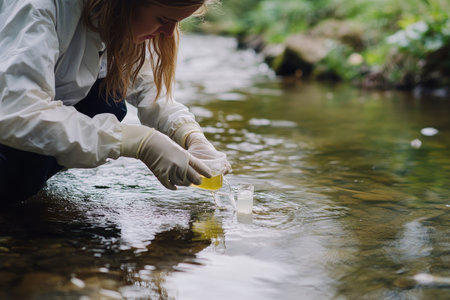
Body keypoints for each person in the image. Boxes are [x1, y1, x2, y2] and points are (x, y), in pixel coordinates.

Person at [0, 0, 231, 202]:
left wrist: (189, 134)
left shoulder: (110, 17)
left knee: (110, 99)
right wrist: (134, 142)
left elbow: (145, 85)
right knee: (23, 175)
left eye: (177, 23)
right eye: (162, 19)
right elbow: (19, 111)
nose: (169, 33)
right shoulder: (37, 8)